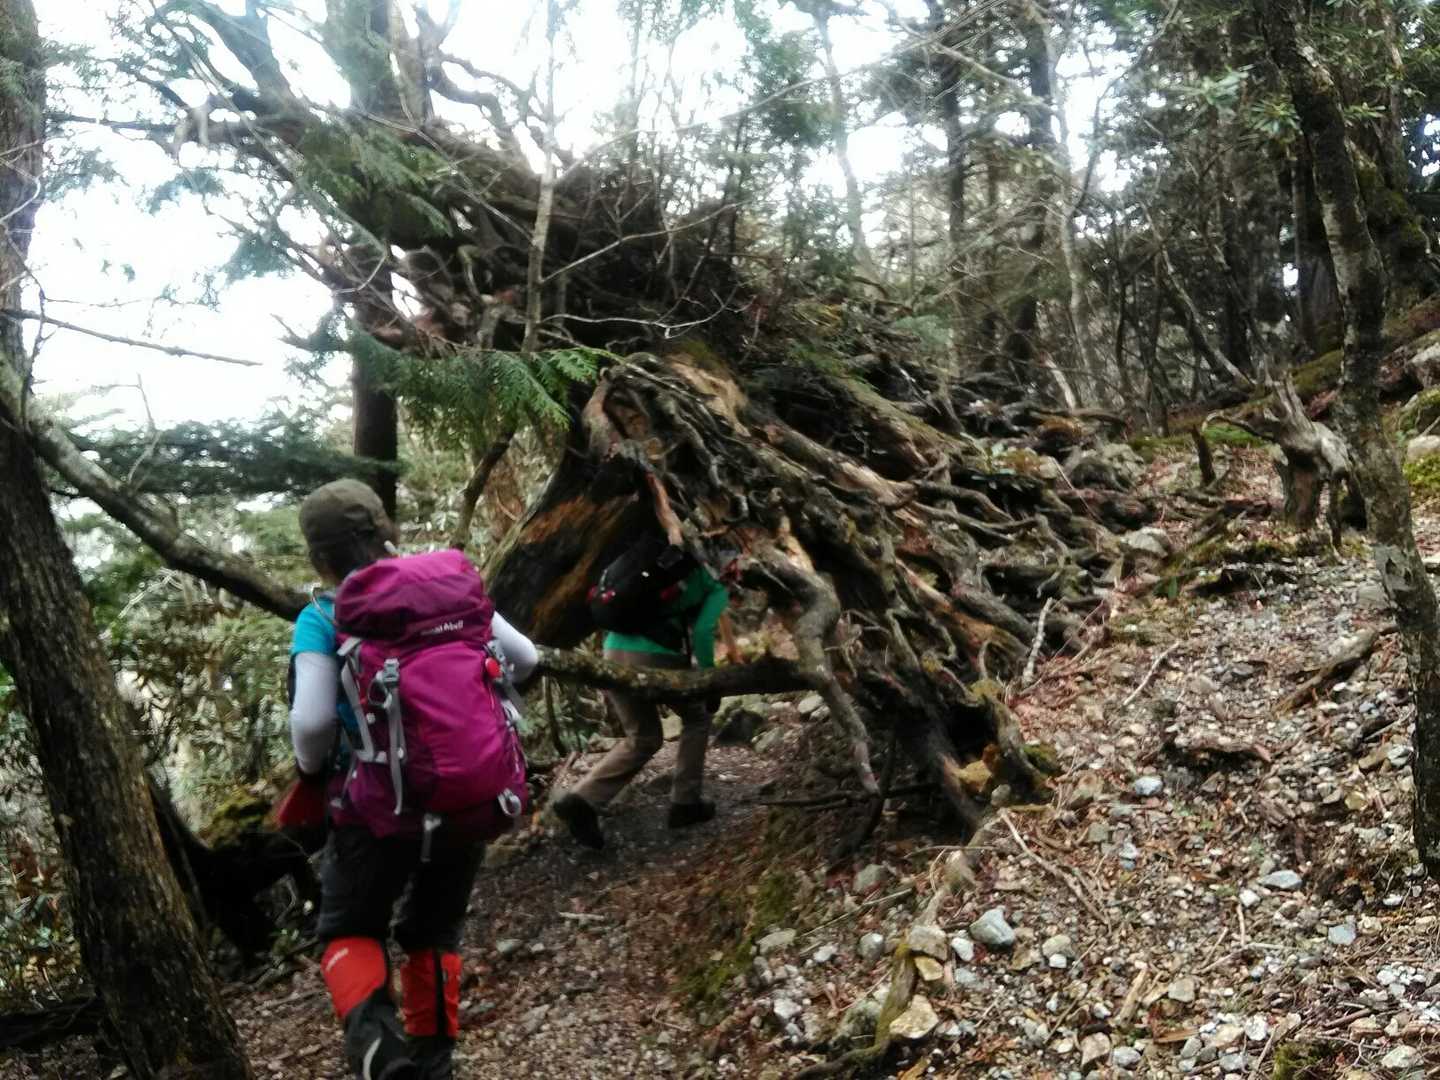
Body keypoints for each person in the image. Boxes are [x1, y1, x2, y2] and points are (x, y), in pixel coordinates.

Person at [285, 479, 537, 1080]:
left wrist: (309, 774)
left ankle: (380, 1050)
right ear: (385, 531)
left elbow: (312, 722)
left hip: (375, 810)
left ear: (318, 556)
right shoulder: (447, 586)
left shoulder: (322, 615)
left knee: (349, 927)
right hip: (466, 793)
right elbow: (526, 658)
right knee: (434, 930)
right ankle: (434, 1062)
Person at [551, 546, 735, 849]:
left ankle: (582, 800)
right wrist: (709, 683)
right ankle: (685, 803)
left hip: (612, 652)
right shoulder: (714, 584)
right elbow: (703, 632)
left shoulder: (666, 566)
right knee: (697, 717)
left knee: (643, 737)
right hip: (654, 657)